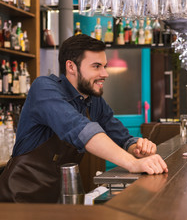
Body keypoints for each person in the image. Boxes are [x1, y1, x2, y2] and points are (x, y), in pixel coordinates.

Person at [0, 34, 168, 203]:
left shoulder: (94, 101)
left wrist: (136, 148)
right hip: (17, 201)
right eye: (96, 66)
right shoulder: (44, 89)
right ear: (71, 67)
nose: (105, 73)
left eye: (104, 66)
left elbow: (121, 136)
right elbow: (81, 130)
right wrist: (132, 164)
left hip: (54, 200)